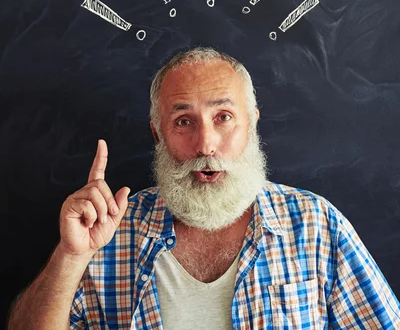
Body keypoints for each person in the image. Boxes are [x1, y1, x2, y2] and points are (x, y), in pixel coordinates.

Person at [7, 47, 400, 329]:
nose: (206, 144)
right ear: (158, 133)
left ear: (252, 124)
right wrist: (71, 256)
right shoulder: (110, 232)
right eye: (183, 121)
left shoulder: (316, 225)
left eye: (223, 117)